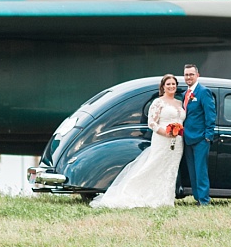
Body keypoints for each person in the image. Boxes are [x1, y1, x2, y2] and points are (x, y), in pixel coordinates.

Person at [91, 74, 186, 209]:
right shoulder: (158, 102)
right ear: (163, 87)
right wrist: (165, 132)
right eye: (168, 84)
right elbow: (151, 123)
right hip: (162, 139)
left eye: (173, 84)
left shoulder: (179, 103)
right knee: (154, 165)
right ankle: (133, 192)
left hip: (177, 142)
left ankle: (165, 198)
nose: (171, 86)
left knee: (171, 168)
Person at [181, 63, 216, 206]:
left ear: (197, 75)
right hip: (187, 138)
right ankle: (197, 197)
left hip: (201, 138)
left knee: (201, 170)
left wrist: (208, 135)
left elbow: (210, 114)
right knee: (192, 170)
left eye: (191, 74)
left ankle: (204, 200)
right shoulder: (185, 94)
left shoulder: (203, 92)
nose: (188, 77)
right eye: (186, 75)